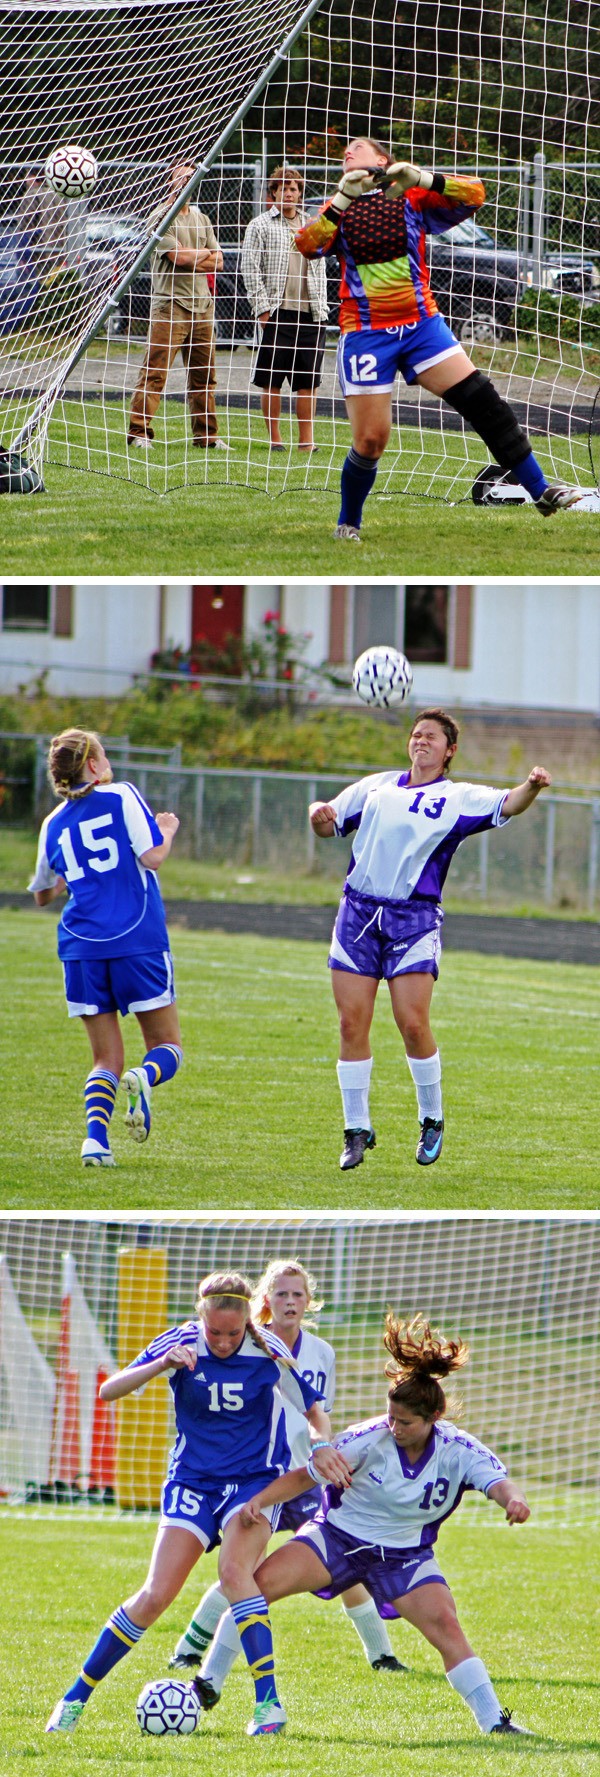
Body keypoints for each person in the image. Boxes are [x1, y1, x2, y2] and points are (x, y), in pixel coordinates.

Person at [45, 1270, 350, 1739]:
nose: (224, 1342)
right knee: (154, 1596)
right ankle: (73, 1699)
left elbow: (314, 1412)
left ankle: (268, 1705)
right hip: (191, 1481)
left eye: (233, 1332)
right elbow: (109, 1390)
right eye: (214, 1332)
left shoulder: (268, 1349)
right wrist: (162, 1364)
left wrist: (322, 1443)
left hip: (251, 1484)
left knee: (235, 1575)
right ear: (199, 1318)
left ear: (248, 1319)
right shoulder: (181, 1340)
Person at [229, 1313, 532, 1738]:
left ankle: (495, 1723)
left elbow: (496, 1481)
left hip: (404, 1555)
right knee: (254, 1589)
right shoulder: (369, 1437)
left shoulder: (458, 1449)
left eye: (405, 1422)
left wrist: (514, 1500)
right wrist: (260, 1500)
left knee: (446, 1625)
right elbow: (305, 1475)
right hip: (336, 1538)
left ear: (434, 1417)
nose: (395, 1428)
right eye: (391, 1417)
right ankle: (207, 1684)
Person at [295, 136, 584, 539]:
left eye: (357, 148)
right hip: (366, 333)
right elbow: (307, 245)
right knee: (372, 441)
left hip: (421, 325)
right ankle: (348, 523)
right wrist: (342, 198)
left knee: (485, 402)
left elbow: (476, 193)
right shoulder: (337, 207)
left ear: (382, 160)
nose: (347, 152)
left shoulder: (411, 195)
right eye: (345, 151)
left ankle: (540, 491)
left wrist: (423, 176)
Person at [308, 706, 551, 1168]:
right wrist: (318, 815)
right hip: (357, 913)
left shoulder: (457, 797)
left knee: (412, 1022)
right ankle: (356, 1129)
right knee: (349, 1023)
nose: (421, 741)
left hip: (413, 919)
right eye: (416, 734)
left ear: (449, 750)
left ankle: (431, 1119)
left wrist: (532, 786)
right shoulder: (375, 787)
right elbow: (326, 822)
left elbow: (508, 803)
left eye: (431, 737)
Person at [170, 1258, 406, 1690]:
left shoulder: (322, 1353)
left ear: (309, 1301)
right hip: (267, 1475)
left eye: (298, 1294)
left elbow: (320, 1414)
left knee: (343, 1559)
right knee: (247, 1571)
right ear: (265, 1300)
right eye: (281, 1293)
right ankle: (190, 1648)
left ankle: (382, 1654)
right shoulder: (250, 1345)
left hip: (310, 1475)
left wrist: (324, 1451)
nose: (290, 1301)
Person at [28, 727, 183, 1166]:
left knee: (104, 1057)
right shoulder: (121, 794)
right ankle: (144, 1075)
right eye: (103, 754)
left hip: (80, 947)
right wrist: (167, 829)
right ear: (93, 766)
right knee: (167, 1046)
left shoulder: (52, 823)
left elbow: (42, 893)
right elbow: (152, 855)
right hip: (137, 938)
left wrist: (73, 876)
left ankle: (95, 1142)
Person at [127, 162, 228, 452]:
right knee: (155, 372)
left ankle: (207, 437)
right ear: (170, 182)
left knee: (204, 377)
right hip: (170, 306)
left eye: (190, 178)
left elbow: (219, 262)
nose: (185, 183)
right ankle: (139, 433)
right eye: (180, 178)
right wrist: (202, 255)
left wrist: (195, 256)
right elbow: (177, 258)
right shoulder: (161, 216)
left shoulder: (203, 219)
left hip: (202, 307)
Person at [241, 164, 329, 451]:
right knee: (272, 379)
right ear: (273, 193)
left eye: (293, 189)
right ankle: (275, 440)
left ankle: (307, 441)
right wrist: (263, 309)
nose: (288, 193)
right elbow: (250, 269)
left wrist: (322, 308)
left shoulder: (313, 225)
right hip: (277, 311)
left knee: (308, 382)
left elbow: (322, 270)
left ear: (300, 193)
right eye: (283, 188)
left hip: (311, 313)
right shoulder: (260, 225)